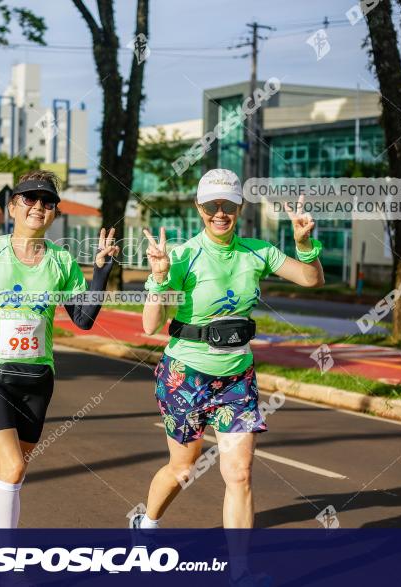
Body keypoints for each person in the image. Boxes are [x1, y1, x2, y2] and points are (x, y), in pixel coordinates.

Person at [133, 168, 323, 538]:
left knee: (239, 473)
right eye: (211, 205)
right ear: (199, 207)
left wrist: (304, 244)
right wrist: (158, 278)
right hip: (185, 375)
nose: (220, 213)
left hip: (237, 378)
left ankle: (240, 573)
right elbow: (149, 325)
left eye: (228, 205)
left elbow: (311, 279)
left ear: (240, 207)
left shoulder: (257, 251)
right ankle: (147, 523)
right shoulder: (182, 255)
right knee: (182, 469)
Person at [0, 170, 119, 530]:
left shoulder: (61, 261)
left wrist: (100, 273)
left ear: (54, 213)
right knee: (13, 467)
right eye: (29, 199)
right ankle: (3, 562)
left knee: (14, 475)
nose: (38, 206)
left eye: (47, 202)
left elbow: (82, 320)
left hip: (37, 379)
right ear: (13, 207)